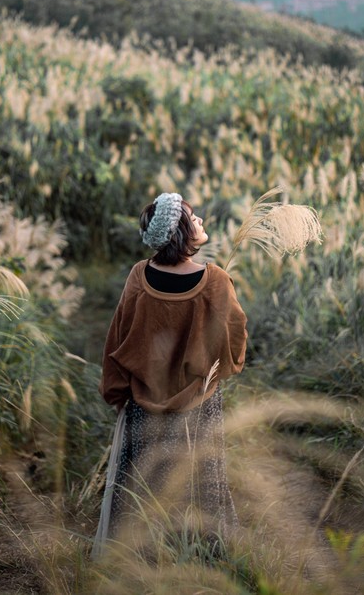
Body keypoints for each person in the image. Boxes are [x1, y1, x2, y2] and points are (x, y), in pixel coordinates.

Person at [92, 192, 248, 558]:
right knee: (200, 485)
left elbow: (117, 338)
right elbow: (235, 341)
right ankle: (202, 563)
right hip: (198, 407)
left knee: (143, 487)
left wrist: (117, 393)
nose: (201, 223)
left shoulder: (138, 276)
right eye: (194, 220)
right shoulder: (216, 280)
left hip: (143, 406)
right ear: (181, 232)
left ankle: (138, 564)